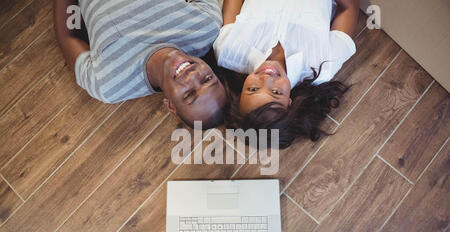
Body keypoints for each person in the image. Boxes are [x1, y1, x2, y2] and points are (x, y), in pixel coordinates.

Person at [54, 0, 227, 129]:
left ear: (170, 105)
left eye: (189, 94)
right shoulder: (206, 27)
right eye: (207, 79)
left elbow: (69, 37)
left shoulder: (109, 84)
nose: (192, 75)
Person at [214, 0, 360, 148]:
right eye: (276, 92)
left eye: (253, 89)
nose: (266, 79)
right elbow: (349, 7)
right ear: (290, 102)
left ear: (240, 96)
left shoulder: (228, 51)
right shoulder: (324, 66)